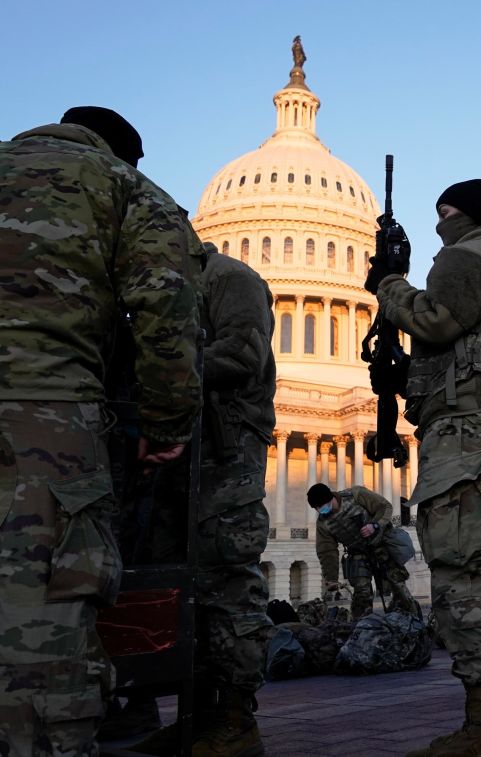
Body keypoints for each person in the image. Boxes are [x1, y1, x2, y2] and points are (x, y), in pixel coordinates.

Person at [0, 106, 203, 757]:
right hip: (46, 426)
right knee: (46, 643)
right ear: (126, 155)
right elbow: (166, 306)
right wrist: (167, 421)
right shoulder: (124, 188)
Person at [373, 179, 481, 757]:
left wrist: (390, 286)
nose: (440, 220)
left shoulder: (472, 252)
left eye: (446, 210)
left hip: (467, 433)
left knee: (464, 575)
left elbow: (437, 320)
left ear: (467, 214)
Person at [132, 240, 277, 755]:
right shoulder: (164, 285)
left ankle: (237, 721)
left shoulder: (228, 278)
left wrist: (158, 374)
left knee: (227, 583)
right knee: (180, 583)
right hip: (178, 449)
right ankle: (199, 715)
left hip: (225, 449)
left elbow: (242, 354)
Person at [308, 482, 418, 619]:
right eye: (316, 508)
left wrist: (375, 525)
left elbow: (384, 507)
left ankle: (413, 618)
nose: (319, 510)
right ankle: (361, 627)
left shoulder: (355, 495)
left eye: (320, 506)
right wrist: (331, 578)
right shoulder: (323, 523)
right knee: (361, 593)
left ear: (329, 498)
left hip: (380, 545)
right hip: (358, 554)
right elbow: (327, 551)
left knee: (397, 584)